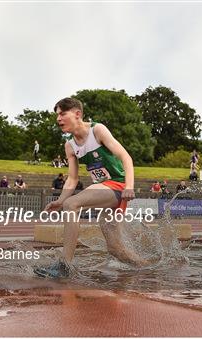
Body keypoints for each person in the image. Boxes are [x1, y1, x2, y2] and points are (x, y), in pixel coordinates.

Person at [33, 97, 140, 279]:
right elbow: (72, 179)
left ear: (77, 114)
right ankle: (149, 266)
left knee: (72, 204)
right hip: (103, 189)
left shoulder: (97, 130)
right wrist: (60, 200)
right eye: (57, 115)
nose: (58, 119)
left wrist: (129, 186)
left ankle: (65, 265)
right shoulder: (70, 145)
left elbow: (125, 157)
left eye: (62, 114)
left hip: (118, 185)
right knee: (115, 249)